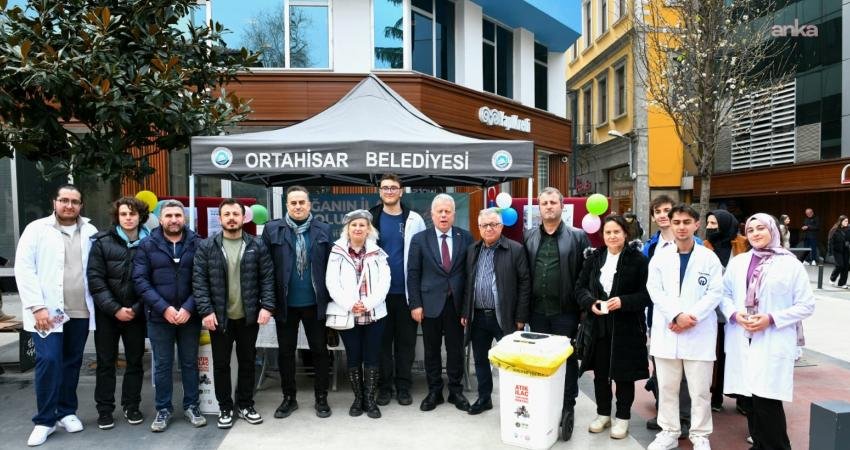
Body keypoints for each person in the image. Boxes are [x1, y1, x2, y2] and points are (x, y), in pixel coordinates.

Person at [721, 213, 815, 450]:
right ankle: (760, 445)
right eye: (750, 230)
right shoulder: (739, 262)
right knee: (750, 399)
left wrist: (771, 319)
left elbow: (806, 305)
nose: (755, 233)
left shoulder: (790, 263)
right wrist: (734, 314)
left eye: (761, 228)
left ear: (773, 231)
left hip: (772, 338)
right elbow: (724, 294)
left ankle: (777, 447)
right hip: (743, 336)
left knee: (768, 401)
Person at [16, 185, 98, 446]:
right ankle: (44, 420)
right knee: (49, 360)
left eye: (74, 201)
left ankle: (66, 411)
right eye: (64, 200)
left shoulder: (91, 232)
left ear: (81, 205)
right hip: (47, 312)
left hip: (80, 310)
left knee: (72, 361)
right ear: (55, 202)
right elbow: (24, 269)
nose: (69, 205)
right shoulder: (37, 229)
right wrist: (37, 307)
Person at [646, 204, 723, 450]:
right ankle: (669, 431)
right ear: (670, 223)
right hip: (668, 330)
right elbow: (654, 290)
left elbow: (715, 292)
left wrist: (690, 317)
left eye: (686, 222)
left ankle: (700, 435)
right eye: (676, 222)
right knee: (667, 387)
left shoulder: (708, 257)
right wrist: (676, 315)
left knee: (700, 389)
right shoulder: (660, 257)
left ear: (696, 225)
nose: (681, 227)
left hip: (698, 331)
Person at [193, 199, 275, 428]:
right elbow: (199, 282)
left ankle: (246, 405)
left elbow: (267, 278)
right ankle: (225, 408)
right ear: (219, 219)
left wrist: (267, 306)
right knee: (220, 365)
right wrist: (206, 311)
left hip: (248, 317)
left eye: (235, 214)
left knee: (248, 362)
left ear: (243, 218)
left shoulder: (257, 246)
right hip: (219, 318)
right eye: (226, 214)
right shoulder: (207, 246)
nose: (231, 218)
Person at [522, 187, 589, 438]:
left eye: (553, 202)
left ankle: (567, 405)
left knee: (566, 360)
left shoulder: (577, 236)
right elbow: (525, 275)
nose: (548, 206)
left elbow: (585, 275)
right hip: (537, 312)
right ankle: (545, 402)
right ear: (539, 209)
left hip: (565, 312)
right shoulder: (529, 236)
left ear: (562, 206)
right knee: (541, 360)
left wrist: (583, 310)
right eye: (544, 203)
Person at [575, 215, 650, 440]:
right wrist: (590, 303)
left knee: (623, 375)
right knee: (600, 373)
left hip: (627, 327)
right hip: (598, 326)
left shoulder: (638, 260)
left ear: (625, 233)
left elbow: (647, 295)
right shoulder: (595, 258)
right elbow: (579, 288)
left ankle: (623, 418)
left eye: (616, 231)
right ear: (602, 235)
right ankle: (603, 414)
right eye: (608, 232)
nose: (612, 236)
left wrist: (624, 301)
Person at [133, 199, 205, 432]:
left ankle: (192, 405)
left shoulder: (198, 243)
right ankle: (163, 409)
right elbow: (140, 281)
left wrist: (187, 308)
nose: (173, 220)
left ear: (184, 218)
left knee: (189, 363)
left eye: (177, 215)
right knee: (162, 365)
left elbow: (202, 280)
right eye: (169, 216)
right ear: (160, 218)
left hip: (189, 316)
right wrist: (164, 308)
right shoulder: (147, 245)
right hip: (158, 317)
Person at [262, 186, 333, 419]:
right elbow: (266, 269)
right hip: (285, 305)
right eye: (293, 203)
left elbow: (332, 268)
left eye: (302, 202)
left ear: (309, 204)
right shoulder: (273, 230)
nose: (298, 207)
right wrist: (268, 301)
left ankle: (321, 398)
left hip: (315, 303)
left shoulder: (323, 230)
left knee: (320, 352)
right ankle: (288, 398)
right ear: (287, 205)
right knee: (285, 353)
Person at [87, 196, 150, 430]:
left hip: (136, 313)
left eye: (132, 214)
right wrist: (114, 309)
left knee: (135, 362)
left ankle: (131, 406)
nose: (128, 218)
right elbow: (95, 279)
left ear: (140, 216)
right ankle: (104, 410)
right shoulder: (102, 242)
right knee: (105, 363)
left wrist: (135, 309)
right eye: (124, 214)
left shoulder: (150, 242)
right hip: (108, 314)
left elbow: (153, 281)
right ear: (118, 216)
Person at [461, 208, 531, 415]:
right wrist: (466, 311)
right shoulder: (472, 249)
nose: (489, 228)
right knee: (481, 359)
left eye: (493, 224)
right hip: (478, 316)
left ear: (501, 226)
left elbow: (525, 284)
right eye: (484, 225)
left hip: (505, 316)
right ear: (479, 227)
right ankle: (484, 398)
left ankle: (514, 403)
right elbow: (468, 283)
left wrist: (520, 317)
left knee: (511, 362)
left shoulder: (515, 249)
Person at [407, 194, 472, 412]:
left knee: (455, 350)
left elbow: (470, 275)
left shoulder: (466, 238)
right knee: (431, 350)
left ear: (454, 215)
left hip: (456, 306)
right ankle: (434, 391)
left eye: (448, 211)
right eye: (439, 211)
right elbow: (413, 273)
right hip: (429, 304)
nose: (443, 215)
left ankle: (455, 390)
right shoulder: (420, 239)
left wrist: (466, 308)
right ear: (432, 214)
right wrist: (415, 304)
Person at [642, 195, 699, 435]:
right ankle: (665, 414)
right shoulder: (651, 247)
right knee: (661, 368)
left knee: (684, 371)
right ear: (654, 217)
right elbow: (650, 284)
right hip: (658, 315)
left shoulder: (697, 245)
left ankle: (684, 417)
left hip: (687, 319)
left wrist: (682, 316)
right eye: (658, 211)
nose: (663, 215)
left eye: (667, 210)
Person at [326, 210, 391, 419]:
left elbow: (384, 283)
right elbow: (331, 283)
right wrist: (350, 304)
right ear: (347, 229)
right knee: (354, 357)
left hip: (374, 314)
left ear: (368, 229)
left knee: (372, 357)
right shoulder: (336, 252)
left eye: (362, 225)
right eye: (354, 225)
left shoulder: (378, 253)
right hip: (348, 313)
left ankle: (370, 400)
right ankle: (358, 399)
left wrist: (368, 303)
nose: (358, 229)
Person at [368, 174, 426, 406]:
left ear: (401, 191)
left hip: (406, 295)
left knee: (406, 344)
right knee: (382, 344)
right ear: (380, 192)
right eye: (385, 188)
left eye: (394, 188)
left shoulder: (414, 219)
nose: (389, 191)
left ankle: (403, 387)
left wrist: (418, 298)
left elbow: (422, 259)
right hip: (378, 296)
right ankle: (385, 387)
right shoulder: (371, 218)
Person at [827, 215, 849, 288]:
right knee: (840, 265)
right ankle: (832, 278)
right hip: (837, 251)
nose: (847, 222)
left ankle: (842, 283)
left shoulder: (848, 229)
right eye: (845, 221)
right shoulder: (835, 229)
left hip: (846, 250)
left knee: (846, 267)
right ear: (841, 221)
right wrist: (830, 252)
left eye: (847, 221)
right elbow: (830, 241)